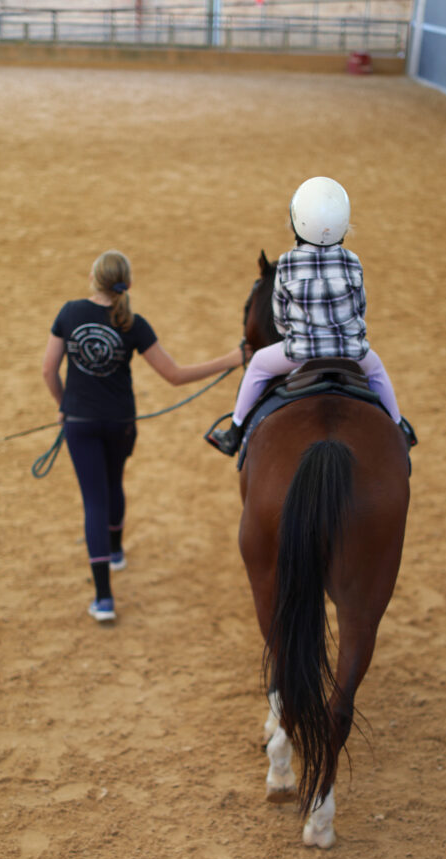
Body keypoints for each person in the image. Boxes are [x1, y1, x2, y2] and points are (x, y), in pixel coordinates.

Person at [42, 249, 243, 623]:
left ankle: (103, 598)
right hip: (120, 422)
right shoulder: (134, 323)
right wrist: (232, 358)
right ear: (127, 284)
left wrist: (63, 405)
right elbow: (175, 375)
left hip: (80, 423)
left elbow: (48, 370)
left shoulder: (69, 313)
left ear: (93, 278)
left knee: (94, 501)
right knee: (114, 482)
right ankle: (116, 551)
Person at [208, 176, 415, 457]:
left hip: (300, 353)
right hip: (349, 352)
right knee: (376, 369)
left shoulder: (286, 264)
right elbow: (359, 309)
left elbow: (280, 317)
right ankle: (399, 427)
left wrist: (292, 330)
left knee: (257, 364)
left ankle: (234, 432)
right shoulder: (352, 261)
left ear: (297, 221)